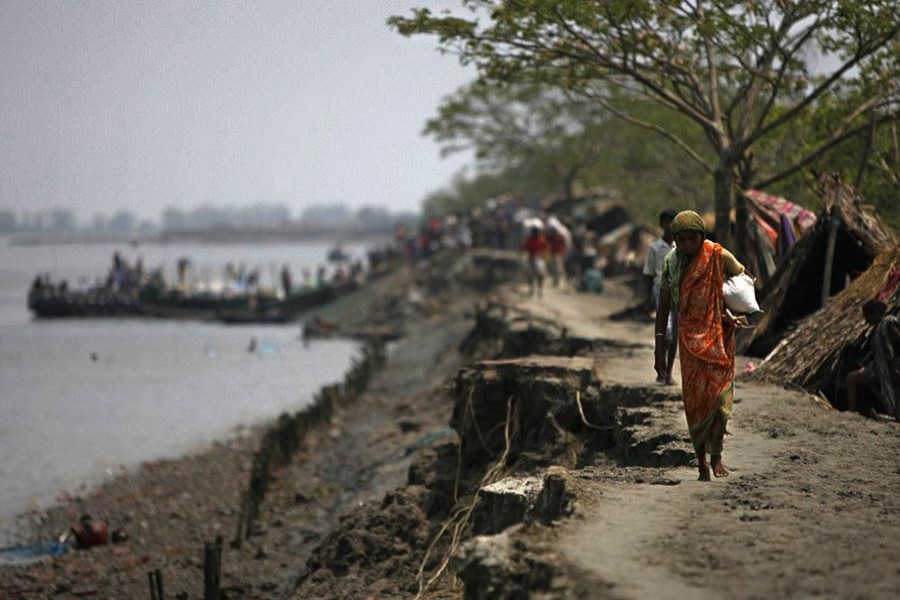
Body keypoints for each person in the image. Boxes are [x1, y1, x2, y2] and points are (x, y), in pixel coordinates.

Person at [654, 210, 746, 482]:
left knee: (719, 398)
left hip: (719, 335)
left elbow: (742, 278)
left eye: (692, 238)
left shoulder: (717, 255)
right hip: (689, 340)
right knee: (695, 403)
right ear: (675, 240)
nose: (687, 245)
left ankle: (717, 455)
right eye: (681, 240)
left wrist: (733, 308)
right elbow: (663, 307)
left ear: (701, 236)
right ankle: (701, 462)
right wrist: (658, 349)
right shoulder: (671, 264)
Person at [845, 299, 900, 418]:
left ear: (874, 313)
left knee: (851, 378)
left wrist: (894, 365)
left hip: (887, 368)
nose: (866, 321)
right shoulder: (880, 327)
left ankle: (852, 412)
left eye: (867, 317)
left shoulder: (887, 325)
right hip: (880, 367)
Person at [643, 209, 678, 383]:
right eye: (666, 221)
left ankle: (669, 372)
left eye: (672, 221)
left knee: (675, 335)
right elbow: (649, 274)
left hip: (678, 292)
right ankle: (661, 369)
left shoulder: (680, 247)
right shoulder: (655, 248)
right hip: (660, 290)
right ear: (662, 224)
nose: (669, 225)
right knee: (666, 333)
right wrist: (648, 299)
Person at [521, 226, 547, 298]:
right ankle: (532, 289)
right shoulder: (529, 239)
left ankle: (539, 290)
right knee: (531, 276)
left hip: (539, 259)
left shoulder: (541, 239)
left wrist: (542, 254)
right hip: (531, 260)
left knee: (540, 275)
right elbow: (524, 248)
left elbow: (544, 249)